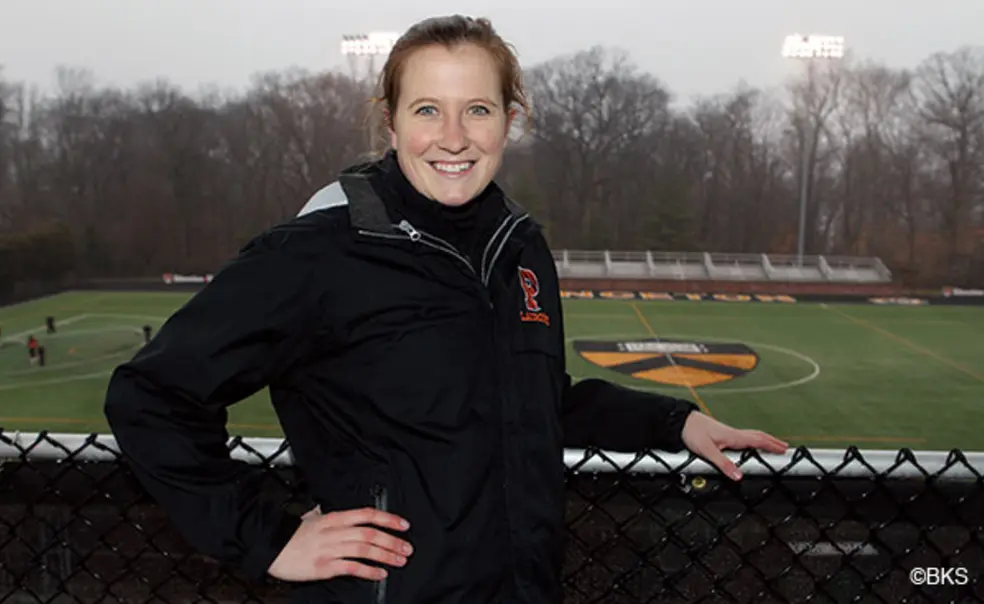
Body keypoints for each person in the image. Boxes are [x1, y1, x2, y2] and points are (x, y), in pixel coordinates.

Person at [103, 15, 788, 604]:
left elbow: (532, 401)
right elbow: (151, 394)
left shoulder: (519, 248)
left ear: (510, 121)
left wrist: (678, 421)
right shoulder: (317, 253)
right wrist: (269, 538)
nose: (453, 136)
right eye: (427, 109)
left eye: (478, 110)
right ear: (391, 122)